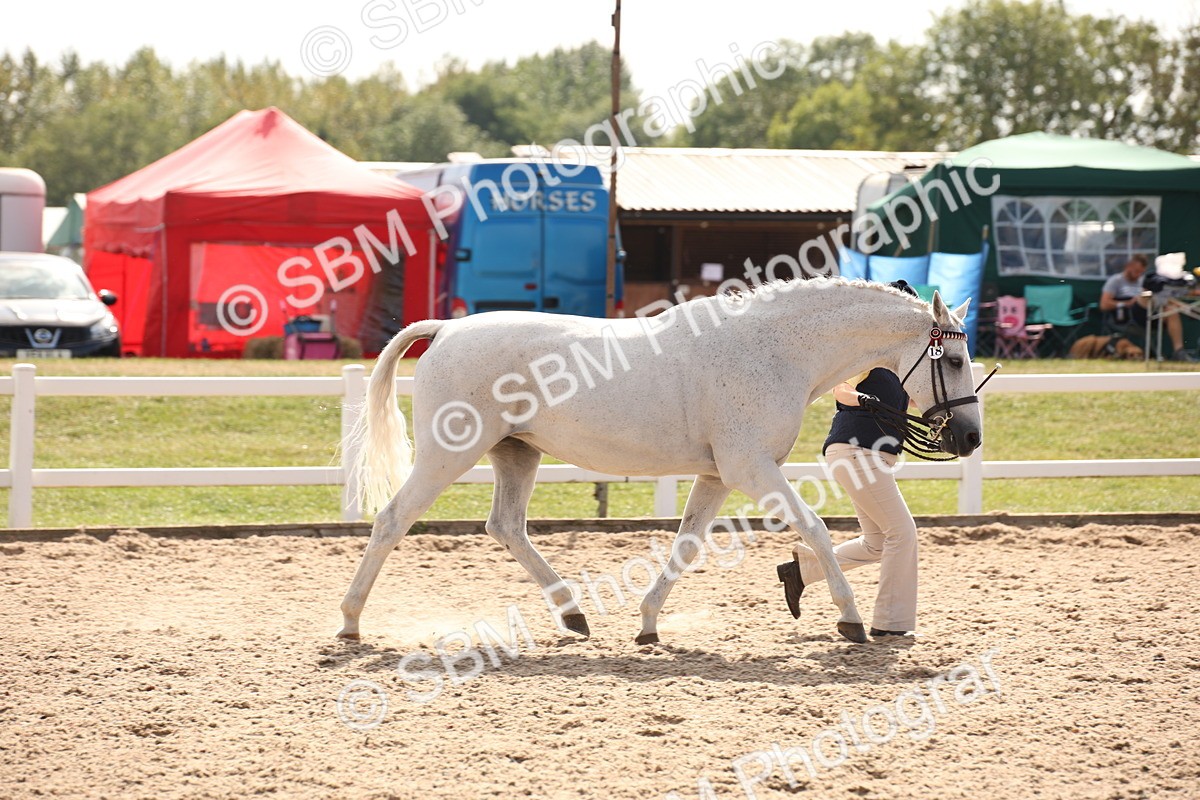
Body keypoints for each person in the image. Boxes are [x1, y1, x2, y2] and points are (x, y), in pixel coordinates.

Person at [776, 280, 920, 638]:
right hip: (857, 451)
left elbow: (909, 404)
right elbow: (839, 388)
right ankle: (891, 624)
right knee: (903, 534)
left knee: (878, 543)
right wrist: (862, 399)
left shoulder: (899, 366)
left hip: (870, 456)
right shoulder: (865, 353)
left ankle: (804, 570)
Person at [1100, 255, 1196, 361]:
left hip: (1152, 313)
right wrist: (1127, 303)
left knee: (1171, 311)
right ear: (1128, 266)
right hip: (1130, 316)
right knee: (1147, 294)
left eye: (1141, 272)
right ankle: (1187, 309)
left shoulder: (1142, 280)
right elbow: (1104, 304)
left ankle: (1179, 351)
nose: (1138, 275)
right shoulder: (1116, 281)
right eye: (1136, 271)